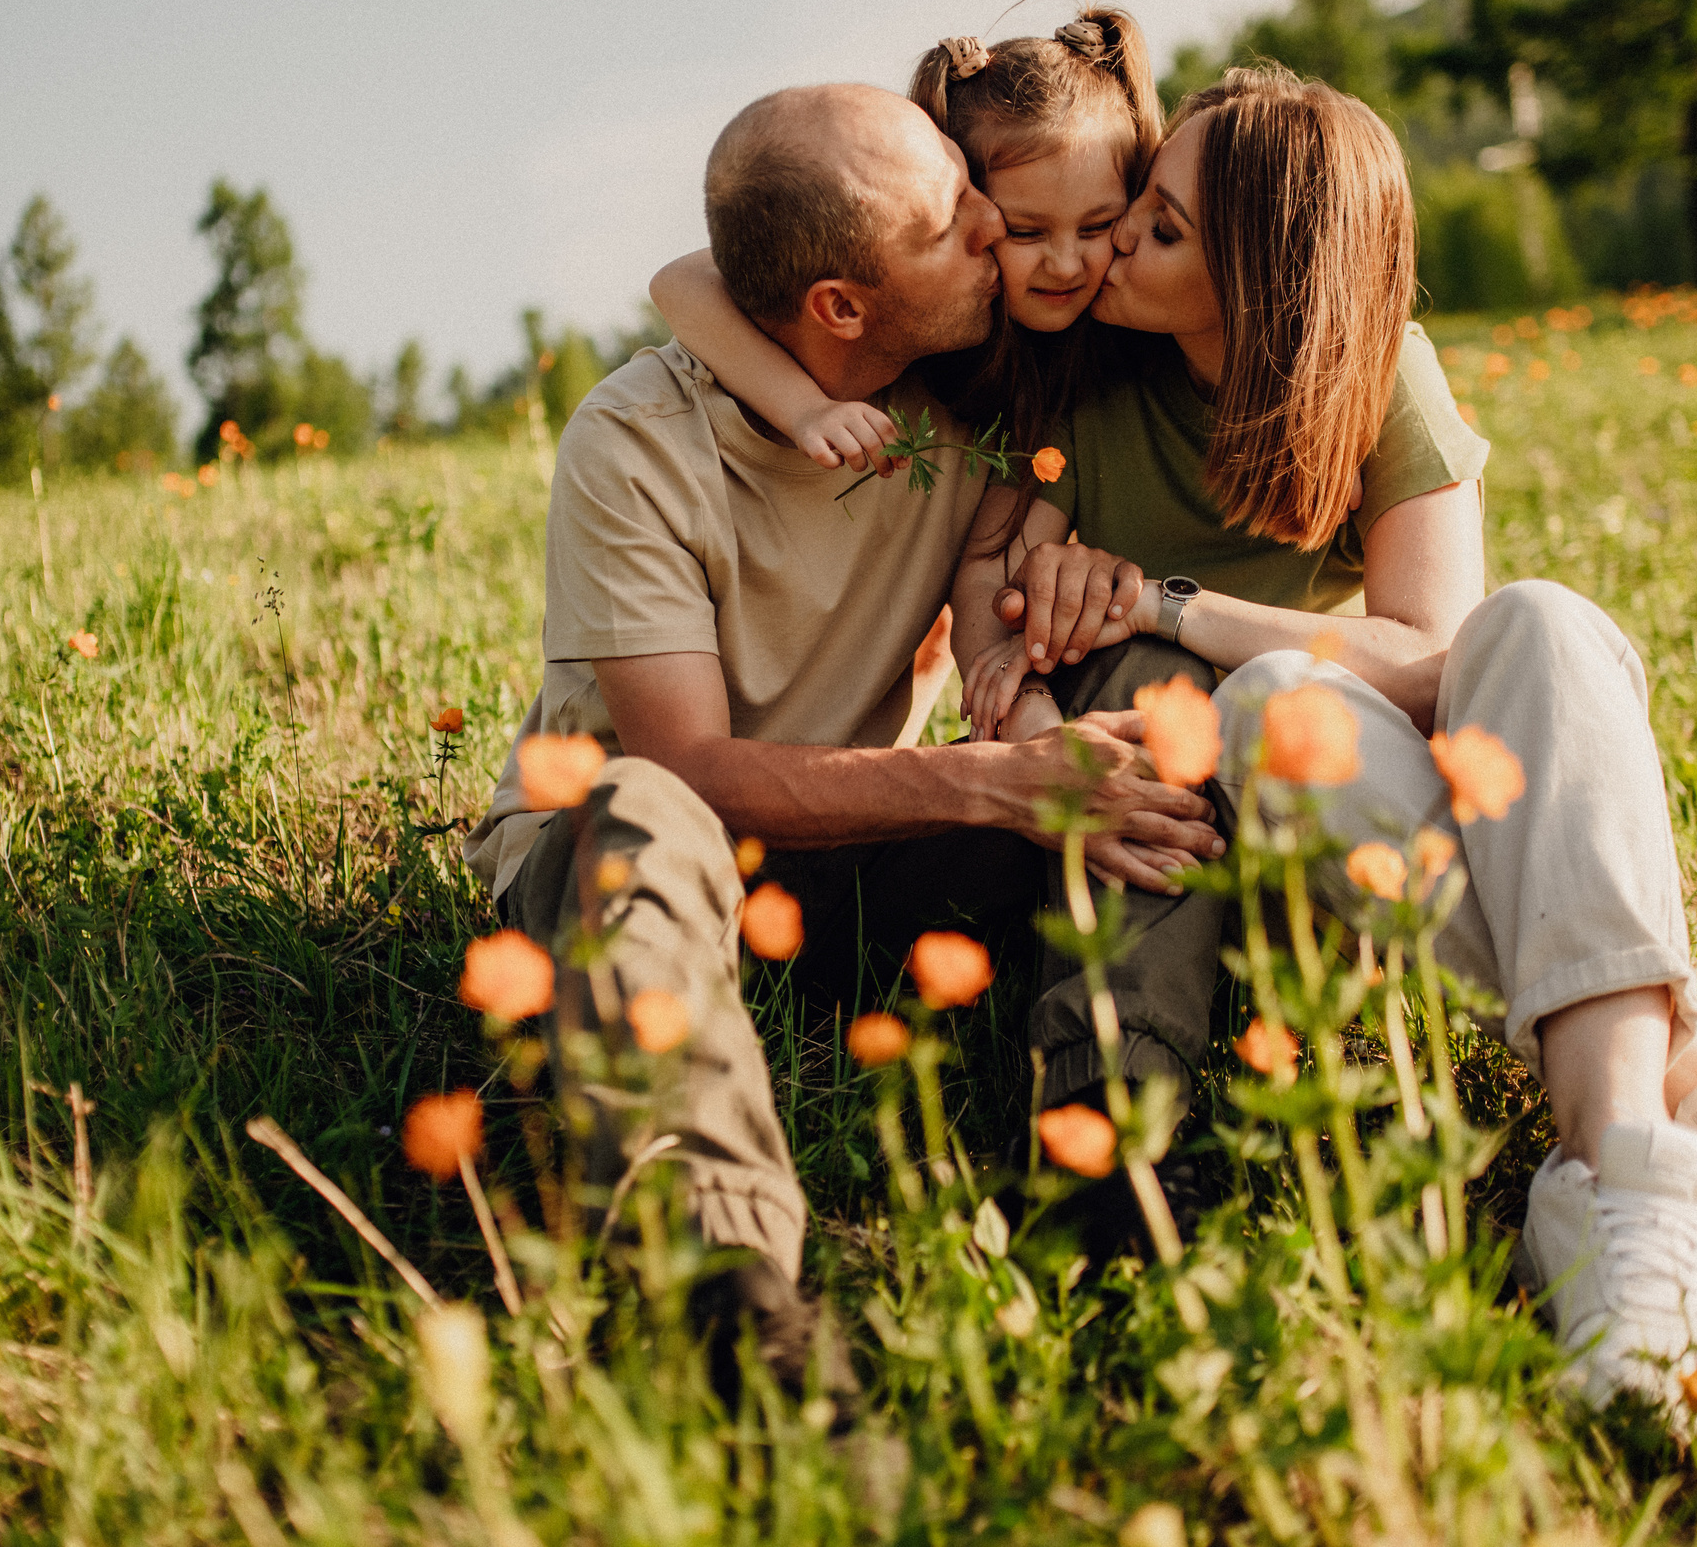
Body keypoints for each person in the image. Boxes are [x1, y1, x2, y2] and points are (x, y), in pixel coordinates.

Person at [658, 47, 1697, 1413]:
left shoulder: (1385, 377)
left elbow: (1435, 664)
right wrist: (1014, 657)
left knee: (1541, 623)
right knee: (1264, 710)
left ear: (1257, 271)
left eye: (1155, 223)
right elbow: (698, 281)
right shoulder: (1074, 383)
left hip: (1393, 782)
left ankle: (1626, 1148)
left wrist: (1167, 599)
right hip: (1241, 832)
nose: (1108, 246)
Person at [462, 82, 1227, 1378]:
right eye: (951, 224)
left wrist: (1029, 707)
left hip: (861, 860)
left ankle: (1113, 1157)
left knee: (1138, 705)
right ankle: (731, 1293)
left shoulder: (974, 392)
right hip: (642, 863)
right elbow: (692, 770)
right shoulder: (636, 444)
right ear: (839, 308)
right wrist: (992, 782)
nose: (989, 225)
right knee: (650, 814)